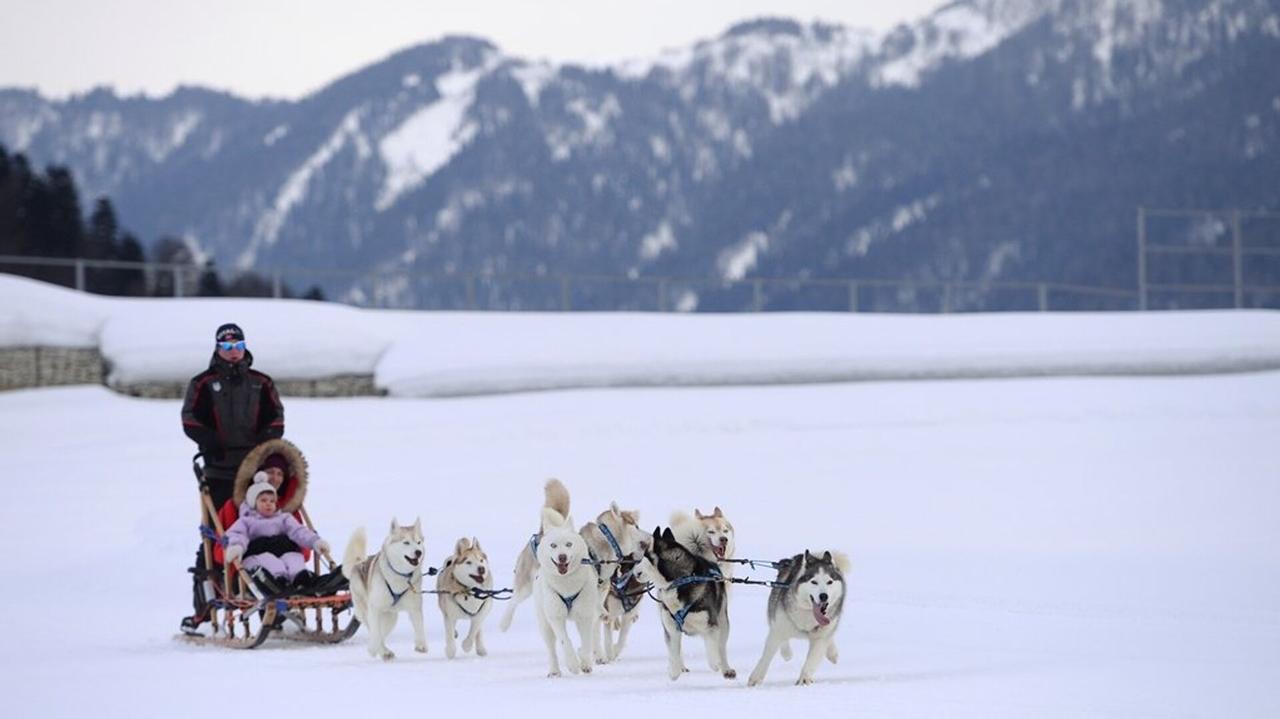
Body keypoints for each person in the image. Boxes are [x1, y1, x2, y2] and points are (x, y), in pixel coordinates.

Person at [181, 322, 284, 509]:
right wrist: (211, 441)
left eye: (239, 346)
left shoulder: (262, 382)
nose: (233, 351)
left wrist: (265, 440)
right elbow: (189, 419)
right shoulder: (201, 383)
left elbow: (276, 417)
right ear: (218, 348)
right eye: (227, 347)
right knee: (222, 523)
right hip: (217, 466)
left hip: (255, 467)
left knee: (261, 521)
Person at [224, 474, 331, 593]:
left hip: (281, 551)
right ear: (253, 503)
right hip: (257, 556)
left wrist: (314, 541)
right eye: (263, 500)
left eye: (272, 501)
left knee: (294, 558)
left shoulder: (284, 518)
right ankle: (278, 584)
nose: (268, 504)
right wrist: (237, 546)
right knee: (271, 561)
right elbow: (237, 534)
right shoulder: (246, 521)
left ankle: (303, 581)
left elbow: (298, 531)